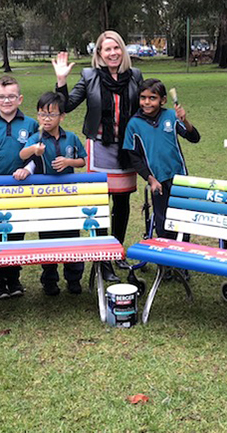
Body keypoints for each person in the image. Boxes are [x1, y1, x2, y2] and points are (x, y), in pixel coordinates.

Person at [52, 31, 144, 282]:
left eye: (116, 48)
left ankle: (116, 251)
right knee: (102, 205)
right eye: (107, 49)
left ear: (122, 50)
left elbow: (145, 107)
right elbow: (66, 106)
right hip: (100, 146)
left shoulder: (135, 76)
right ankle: (102, 260)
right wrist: (61, 80)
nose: (113, 53)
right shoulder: (90, 76)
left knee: (123, 203)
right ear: (100, 54)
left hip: (126, 148)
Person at [19, 92, 88, 296]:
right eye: (41, 115)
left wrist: (68, 162)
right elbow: (22, 154)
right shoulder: (36, 137)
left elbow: (82, 160)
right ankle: (49, 279)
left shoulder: (71, 137)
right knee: (48, 239)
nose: (45, 119)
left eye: (51, 115)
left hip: (68, 199)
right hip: (46, 199)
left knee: (72, 239)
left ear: (62, 116)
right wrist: (34, 150)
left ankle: (73, 278)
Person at [0, 75, 39, 300]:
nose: (7, 101)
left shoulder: (31, 124)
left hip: (20, 188)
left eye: (11, 96)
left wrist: (28, 170)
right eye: (2, 97)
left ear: (20, 98)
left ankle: (14, 278)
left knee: (15, 233)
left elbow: (36, 154)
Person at [122, 78, 200, 240]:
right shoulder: (134, 124)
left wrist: (184, 120)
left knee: (182, 218)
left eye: (152, 98)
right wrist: (151, 180)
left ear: (163, 100)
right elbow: (134, 158)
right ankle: (165, 260)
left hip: (179, 178)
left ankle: (182, 256)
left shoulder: (171, 116)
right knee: (162, 220)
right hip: (158, 181)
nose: (146, 102)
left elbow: (194, 138)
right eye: (143, 98)